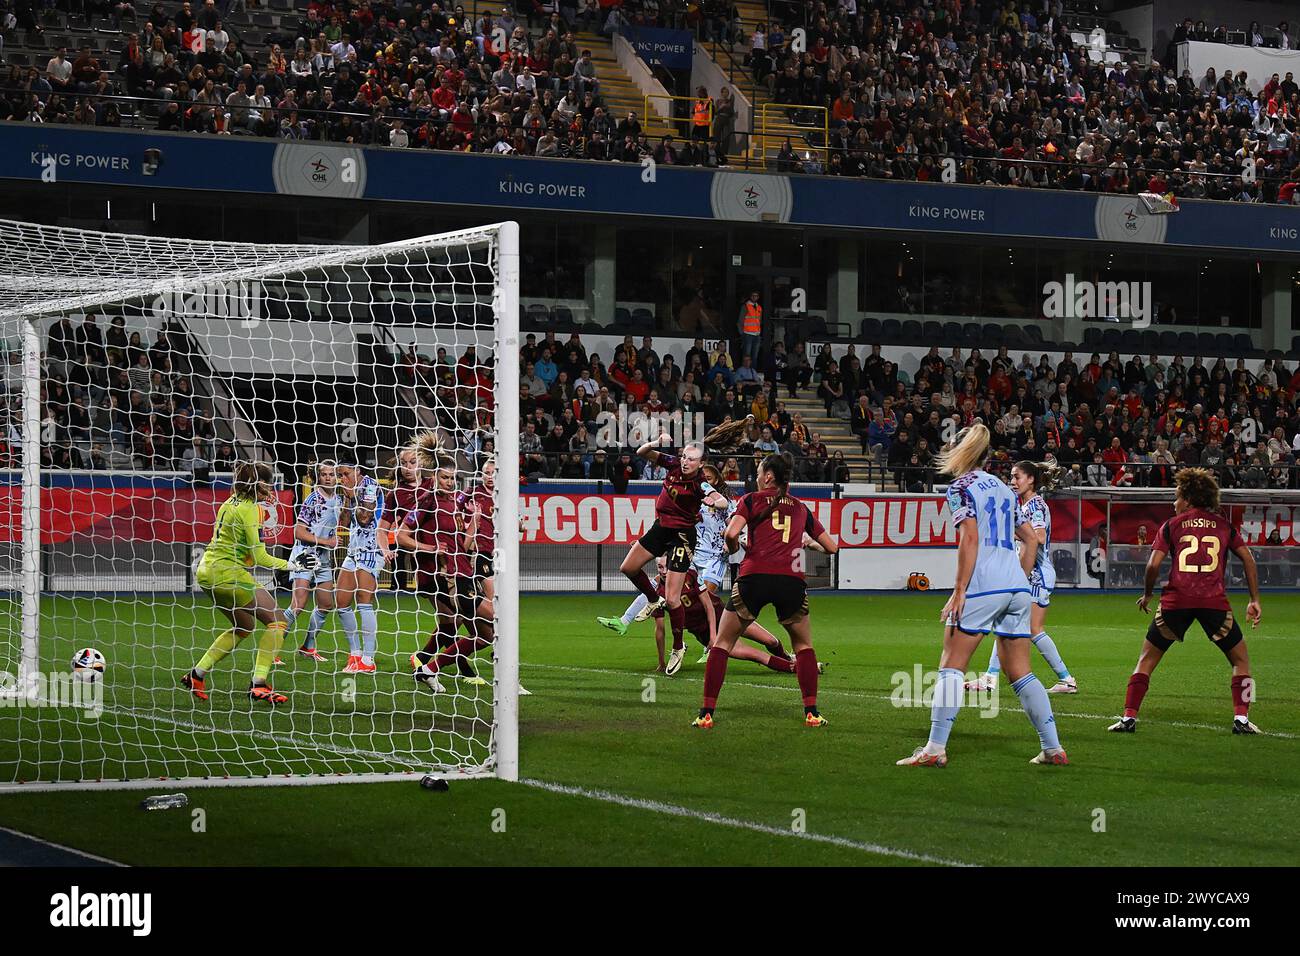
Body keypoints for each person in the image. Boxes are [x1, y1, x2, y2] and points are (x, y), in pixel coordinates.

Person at [897, 424, 1069, 767]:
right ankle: (1053, 748)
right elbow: (1031, 540)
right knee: (1020, 672)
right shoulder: (1005, 491)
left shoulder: (960, 487)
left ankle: (934, 749)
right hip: (1016, 588)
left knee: (951, 666)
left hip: (984, 585)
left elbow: (970, 539)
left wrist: (959, 591)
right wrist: (1017, 580)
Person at [1110, 468, 1262, 735]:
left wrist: (1147, 594)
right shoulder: (1224, 526)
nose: (1174, 502)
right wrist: (1254, 599)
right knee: (1242, 661)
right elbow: (1248, 559)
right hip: (1213, 603)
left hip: (1175, 601)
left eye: (1177, 496)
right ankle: (1242, 719)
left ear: (1189, 499)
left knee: (1146, 659)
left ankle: (1128, 717)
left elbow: (1152, 566)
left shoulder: (1172, 525)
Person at [692, 452, 839, 728]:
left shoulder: (750, 500)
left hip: (754, 578)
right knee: (804, 646)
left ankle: (706, 714)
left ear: (768, 476)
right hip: (791, 582)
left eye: (760, 472)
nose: (758, 476)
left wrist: (735, 549)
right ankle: (812, 713)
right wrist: (806, 541)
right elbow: (832, 548)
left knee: (721, 643)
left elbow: (731, 534)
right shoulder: (800, 507)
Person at [182, 461, 317, 704]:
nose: (272, 486)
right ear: (260, 484)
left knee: (244, 626)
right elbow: (260, 558)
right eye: (269, 481)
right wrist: (295, 565)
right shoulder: (250, 510)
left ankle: (196, 674)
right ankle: (259, 684)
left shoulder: (229, 502)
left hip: (206, 572)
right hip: (228, 574)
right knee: (278, 621)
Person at [616, 435, 729, 676]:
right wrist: (657, 441)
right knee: (628, 567)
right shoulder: (673, 464)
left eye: (692, 459)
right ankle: (652, 599)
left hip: (682, 536)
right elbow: (641, 452)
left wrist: (712, 500)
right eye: (685, 457)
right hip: (661, 527)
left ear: (701, 464)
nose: (686, 462)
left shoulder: (701, 483)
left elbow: (722, 502)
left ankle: (678, 647)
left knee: (673, 597)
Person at [968, 460, 1077, 694]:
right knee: (1006, 620)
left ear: (1031, 480)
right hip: (1029, 573)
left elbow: (1037, 537)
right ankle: (991, 676)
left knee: (1034, 628)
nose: (1013, 481)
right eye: (1011, 476)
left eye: (1017, 477)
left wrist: (1012, 535)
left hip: (1036, 574)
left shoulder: (1034, 505)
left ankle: (1066, 679)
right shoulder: (1026, 505)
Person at [335, 459, 392, 674]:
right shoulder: (349, 489)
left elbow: (366, 518)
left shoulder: (369, 486)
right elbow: (345, 520)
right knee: (341, 600)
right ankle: (355, 653)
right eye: (340, 474)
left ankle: (368, 659)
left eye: (346, 473)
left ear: (358, 471)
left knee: (363, 600)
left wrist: (351, 495)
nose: (343, 478)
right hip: (353, 549)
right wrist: (346, 500)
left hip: (371, 549)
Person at [284, 460, 343, 662]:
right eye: (324, 474)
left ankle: (308, 647)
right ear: (318, 477)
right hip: (305, 554)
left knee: (326, 604)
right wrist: (326, 540)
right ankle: (271, 648)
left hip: (323, 556)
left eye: (332, 474)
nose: (328, 477)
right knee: (299, 604)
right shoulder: (312, 500)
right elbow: (298, 532)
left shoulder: (339, 499)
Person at [738, 289, 762, 366]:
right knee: (746, 356)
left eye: (756, 296)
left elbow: (759, 321)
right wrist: (742, 334)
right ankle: (745, 373)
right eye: (753, 296)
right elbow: (740, 321)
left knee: (755, 356)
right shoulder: (746, 306)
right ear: (750, 296)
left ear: (758, 297)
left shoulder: (759, 307)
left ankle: (753, 373)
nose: (755, 297)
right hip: (747, 334)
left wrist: (759, 333)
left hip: (756, 335)